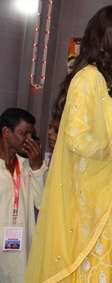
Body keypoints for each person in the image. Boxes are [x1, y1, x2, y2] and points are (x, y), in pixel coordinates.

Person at [25, 5, 112, 282]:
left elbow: (110, 138)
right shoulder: (88, 78)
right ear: (110, 36)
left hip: (111, 196)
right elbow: (76, 138)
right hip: (89, 202)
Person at [0, 108, 46, 283]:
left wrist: (37, 166)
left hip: (22, 252)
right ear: (6, 131)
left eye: (31, 134)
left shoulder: (28, 166)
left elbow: (42, 202)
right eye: (24, 133)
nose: (29, 139)